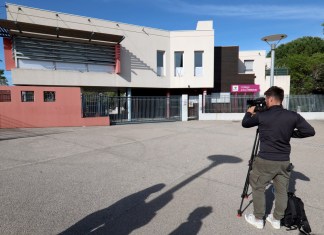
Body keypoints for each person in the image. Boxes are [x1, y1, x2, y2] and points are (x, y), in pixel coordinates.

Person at [241, 86, 315, 230]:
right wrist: (290, 133)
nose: (265, 103)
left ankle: (258, 219)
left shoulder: (263, 116)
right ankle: (276, 219)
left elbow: (245, 123)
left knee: (258, 187)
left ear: (270, 99)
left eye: (266, 100)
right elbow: (310, 131)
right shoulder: (292, 115)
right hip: (284, 162)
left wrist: (249, 112)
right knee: (281, 191)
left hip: (265, 160)